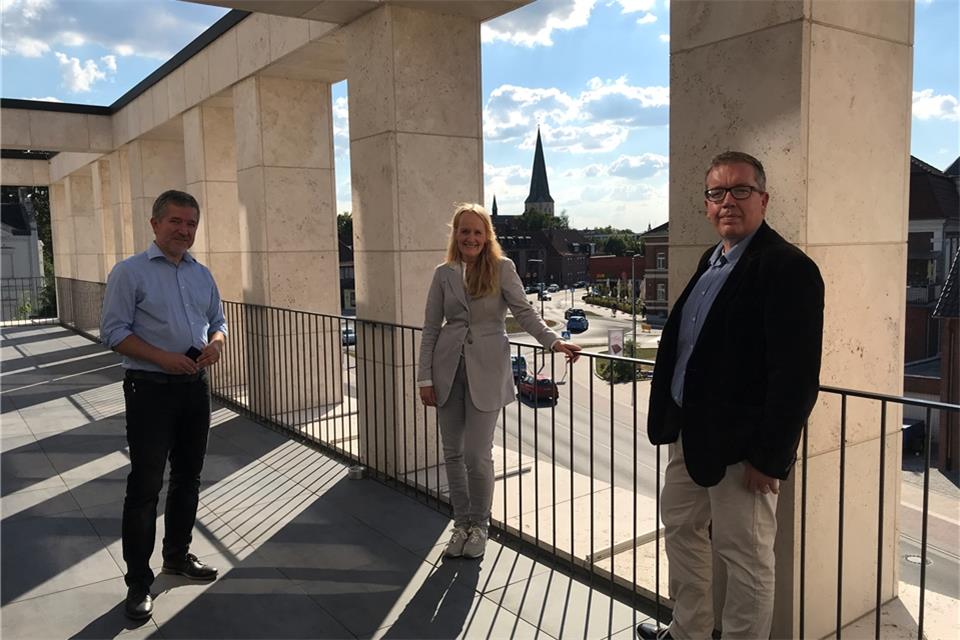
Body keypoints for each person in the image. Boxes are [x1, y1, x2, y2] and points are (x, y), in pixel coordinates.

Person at [640, 152, 824, 640]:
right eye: (717, 193)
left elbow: (797, 375)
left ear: (763, 199)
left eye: (741, 190)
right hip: (691, 435)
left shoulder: (788, 268)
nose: (728, 202)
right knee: (681, 532)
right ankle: (689, 631)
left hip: (744, 453)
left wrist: (771, 456)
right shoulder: (713, 259)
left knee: (746, 561)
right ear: (706, 205)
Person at [418, 203, 581, 559]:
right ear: (456, 235)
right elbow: (431, 328)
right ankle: (460, 524)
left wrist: (553, 341)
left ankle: (480, 525)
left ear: (487, 235)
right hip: (447, 371)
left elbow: (524, 312)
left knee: (477, 455)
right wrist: (424, 378)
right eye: (465, 231)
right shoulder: (443, 273)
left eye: (478, 232)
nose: (471, 238)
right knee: (452, 453)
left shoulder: (502, 268)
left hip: (488, 371)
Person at [100, 190, 227, 621]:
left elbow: (218, 321)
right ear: (154, 224)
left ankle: (177, 556)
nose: (184, 230)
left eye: (191, 223)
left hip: (194, 387)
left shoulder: (202, 274)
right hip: (149, 388)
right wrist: (161, 357)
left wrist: (215, 344)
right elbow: (114, 332)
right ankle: (138, 582)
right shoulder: (129, 272)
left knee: (188, 478)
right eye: (176, 221)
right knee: (145, 486)